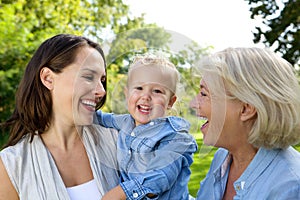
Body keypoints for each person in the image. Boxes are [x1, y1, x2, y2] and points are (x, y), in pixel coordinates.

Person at [0, 34, 120, 199]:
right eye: (88, 77)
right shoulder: (11, 166)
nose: (101, 91)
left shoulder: (116, 143)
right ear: (48, 78)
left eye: (102, 80)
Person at [190, 47, 300, 200]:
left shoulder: (290, 187)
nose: (193, 103)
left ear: (246, 109)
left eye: (204, 94)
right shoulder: (223, 157)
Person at [96, 54, 198, 200]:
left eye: (157, 91)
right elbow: (98, 117)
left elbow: (161, 177)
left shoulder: (175, 137)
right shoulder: (125, 122)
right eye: (139, 88)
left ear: (170, 101)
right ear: (127, 94)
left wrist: (122, 192)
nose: (146, 96)